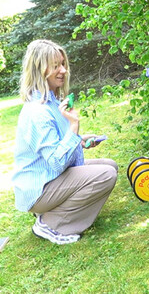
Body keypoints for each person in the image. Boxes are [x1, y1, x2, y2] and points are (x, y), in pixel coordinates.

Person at [12, 40, 118, 244]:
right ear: (40, 70)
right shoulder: (38, 111)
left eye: (63, 64)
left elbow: (55, 145)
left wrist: (79, 141)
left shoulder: (50, 100)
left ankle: (54, 212)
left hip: (50, 177)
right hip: (39, 188)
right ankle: (52, 224)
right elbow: (56, 162)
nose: (63, 70)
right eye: (55, 66)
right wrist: (73, 127)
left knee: (109, 166)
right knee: (105, 175)